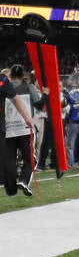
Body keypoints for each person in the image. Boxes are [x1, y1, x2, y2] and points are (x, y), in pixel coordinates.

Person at [2, 64, 39, 196]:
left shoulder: (4, 86)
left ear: (10, 75)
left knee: (9, 160)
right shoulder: (29, 87)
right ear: (23, 75)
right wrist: (46, 95)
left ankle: (11, 190)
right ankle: (23, 180)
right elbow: (39, 104)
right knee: (31, 158)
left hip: (8, 130)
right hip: (25, 129)